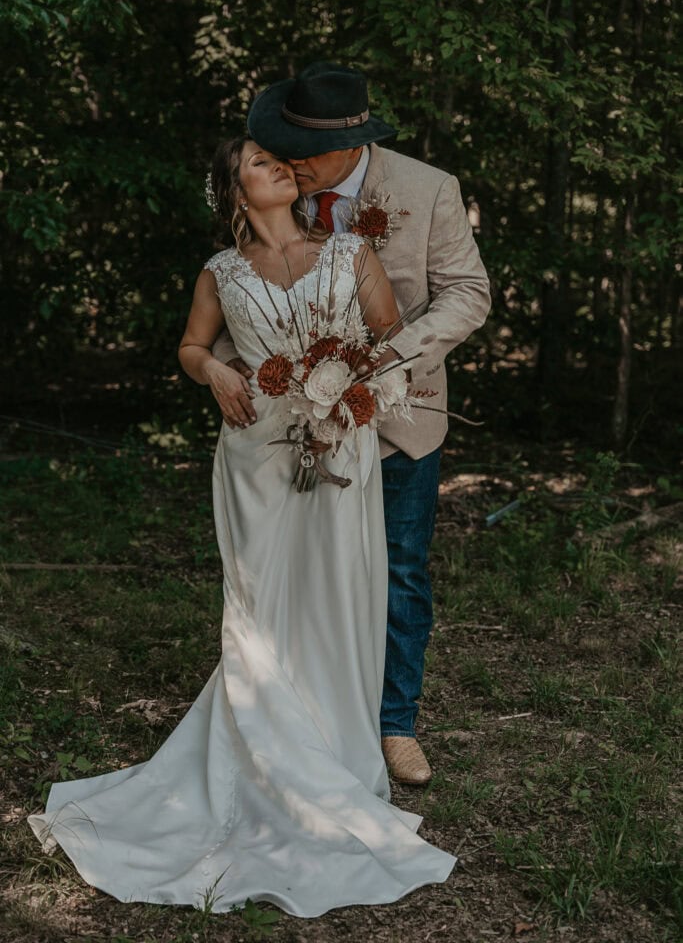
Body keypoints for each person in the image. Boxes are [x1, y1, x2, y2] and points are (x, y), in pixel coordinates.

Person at [28, 136, 456, 916]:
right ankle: (259, 741)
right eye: (260, 164)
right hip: (254, 455)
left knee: (337, 593)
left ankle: (331, 747)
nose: (281, 169)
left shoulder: (348, 253)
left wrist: (346, 400)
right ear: (234, 195)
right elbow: (191, 347)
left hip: (339, 447)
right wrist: (218, 368)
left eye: (278, 161)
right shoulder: (219, 274)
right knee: (260, 605)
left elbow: (384, 345)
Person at [212, 63, 491, 785]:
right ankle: (300, 713)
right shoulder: (276, 193)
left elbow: (467, 293)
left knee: (398, 569)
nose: (289, 164)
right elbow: (247, 295)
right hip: (284, 429)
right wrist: (225, 369)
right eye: (278, 150)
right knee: (297, 571)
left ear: (350, 144)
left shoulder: (426, 189)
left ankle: (393, 723)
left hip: (396, 418)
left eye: (299, 152)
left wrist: (377, 365)